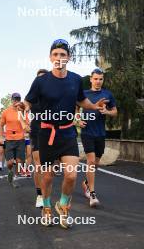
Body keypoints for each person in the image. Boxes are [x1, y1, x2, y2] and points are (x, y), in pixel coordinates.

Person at [25, 39, 107, 228]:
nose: (59, 58)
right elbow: (29, 101)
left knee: (71, 176)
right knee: (47, 177)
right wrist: (25, 106)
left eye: (63, 54)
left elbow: (81, 100)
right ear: (50, 57)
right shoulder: (41, 81)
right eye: (56, 54)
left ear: (68, 57)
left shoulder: (76, 79)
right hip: (47, 134)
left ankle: (63, 206)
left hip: (68, 132)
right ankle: (46, 208)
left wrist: (93, 106)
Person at [80, 68, 117, 207]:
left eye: (101, 79)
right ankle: (92, 193)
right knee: (90, 161)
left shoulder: (108, 94)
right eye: (95, 79)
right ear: (91, 79)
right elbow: (75, 109)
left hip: (100, 133)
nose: (98, 81)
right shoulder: (84, 94)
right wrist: (78, 120)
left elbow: (115, 112)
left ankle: (85, 183)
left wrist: (107, 111)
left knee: (95, 163)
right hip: (87, 133)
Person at [29, 69, 49, 208]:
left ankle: (46, 191)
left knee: (49, 168)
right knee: (39, 165)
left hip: (51, 133)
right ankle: (39, 195)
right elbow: (23, 108)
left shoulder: (53, 95)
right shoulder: (32, 96)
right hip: (36, 131)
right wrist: (24, 123)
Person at [0, 93, 27, 188]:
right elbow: (1, 126)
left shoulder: (23, 112)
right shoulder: (6, 112)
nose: (16, 101)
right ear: (11, 100)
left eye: (18, 99)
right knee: (10, 163)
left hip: (20, 139)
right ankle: (10, 171)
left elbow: (27, 125)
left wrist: (22, 112)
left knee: (19, 162)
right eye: (14, 99)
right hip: (9, 139)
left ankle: (15, 178)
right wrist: (1, 137)